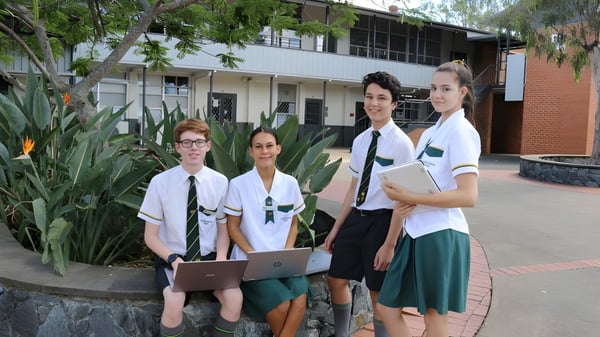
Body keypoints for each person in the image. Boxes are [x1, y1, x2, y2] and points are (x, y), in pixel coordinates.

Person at [377, 60, 481, 337]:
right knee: (387, 308)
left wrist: (408, 195)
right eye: (433, 88)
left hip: (441, 234)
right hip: (415, 232)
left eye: (446, 88)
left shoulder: (461, 132)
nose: (437, 94)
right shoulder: (430, 133)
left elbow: (468, 195)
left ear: (463, 93)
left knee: (434, 315)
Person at [324, 71, 415, 337]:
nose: (374, 103)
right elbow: (353, 189)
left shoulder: (402, 145)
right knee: (336, 279)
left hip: (383, 223)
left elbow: (402, 199)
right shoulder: (361, 140)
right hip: (356, 219)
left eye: (382, 98)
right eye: (369, 97)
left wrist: (389, 244)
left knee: (378, 293)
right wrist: (335, 229)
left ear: (394, 104)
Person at [139, 118, 243, 337]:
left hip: (210, 259)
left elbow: (223, 228)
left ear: (208, 145)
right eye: (186, 142)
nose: (193, 147)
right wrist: (173, 260)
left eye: (199, 141)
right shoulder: (160, 182)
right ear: (177, 147)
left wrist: (221, 259)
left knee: (235, 298)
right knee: (174, 301)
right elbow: (150, 236)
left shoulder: (221, 182)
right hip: (173, 261)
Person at [224, 127, 311, 337]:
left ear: (278, 149)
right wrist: (253, 255)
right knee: (281, 304)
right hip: (250, 261)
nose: (265, 151)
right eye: (259, 146)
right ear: (250, 151)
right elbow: (232, 228)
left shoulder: (289, 184)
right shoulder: (238, 185)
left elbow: (293, 224)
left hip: (283, 260)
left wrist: (288, 252)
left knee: (300, 298)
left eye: (269, 146)